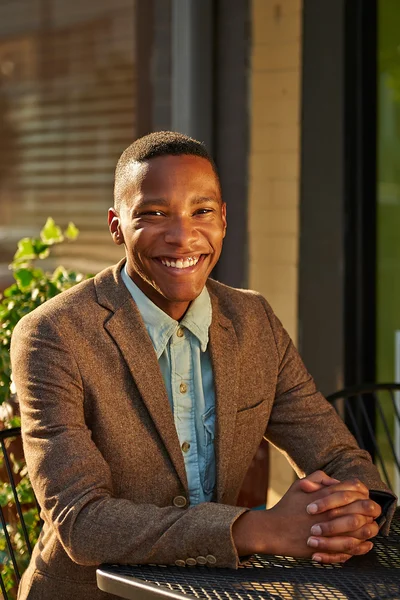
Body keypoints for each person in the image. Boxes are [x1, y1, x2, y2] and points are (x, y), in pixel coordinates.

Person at [11, 131, 396, 600]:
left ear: (224, 220)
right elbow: (84, 522)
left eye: (202, 211)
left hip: (214, 591)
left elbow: (337, 456)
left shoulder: (253, 321)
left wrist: (356, 513)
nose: (182, 235)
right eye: (154, 214)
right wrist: (259, 529)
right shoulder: (54, 335)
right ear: (116, 226)